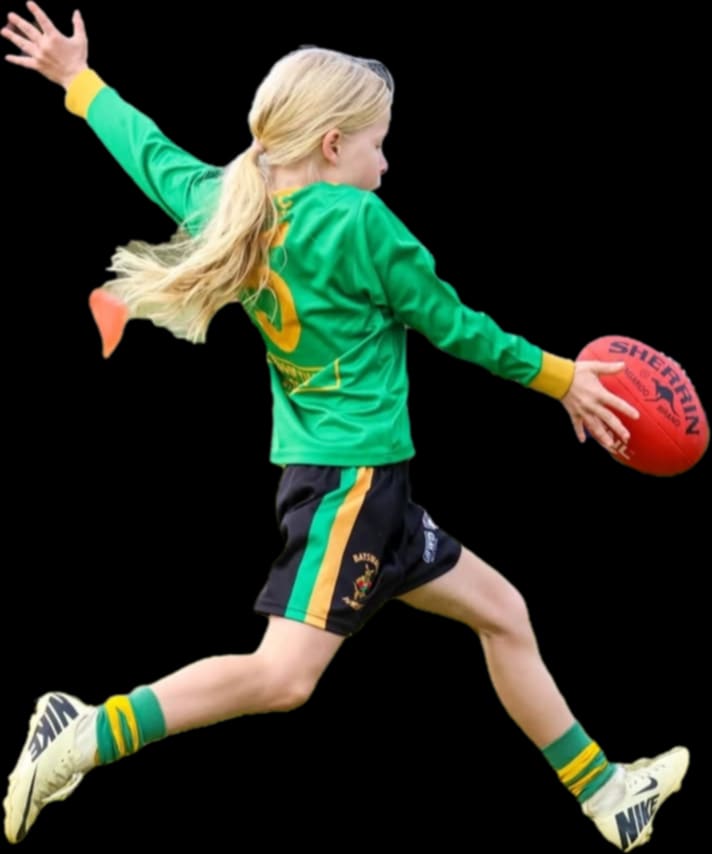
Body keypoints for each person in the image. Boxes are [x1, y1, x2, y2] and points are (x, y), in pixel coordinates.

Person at [1, 3, 689, 850]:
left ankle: (608, 793)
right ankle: (85, 730)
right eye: (377, 145)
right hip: (350, 488)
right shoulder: (359, 222)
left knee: (504, 612)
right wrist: (564, 380)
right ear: (332, 145)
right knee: (282, 678)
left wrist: (78, 81)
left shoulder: (229, 201)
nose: (385, 163)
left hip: (367, 487)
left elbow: (150, 154)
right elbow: (455, 326)